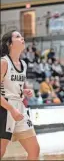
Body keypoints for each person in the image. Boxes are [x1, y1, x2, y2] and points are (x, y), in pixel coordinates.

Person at [0, 30, 40, 160]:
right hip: (5, 108)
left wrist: (24, 91)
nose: (22, 38)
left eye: (22, 36)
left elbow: (13, 86)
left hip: (20, 107)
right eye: (18, 36)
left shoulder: (23, 64)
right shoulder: (3, 62)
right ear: (9, 43)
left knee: (34, 150)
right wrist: (11, 109)